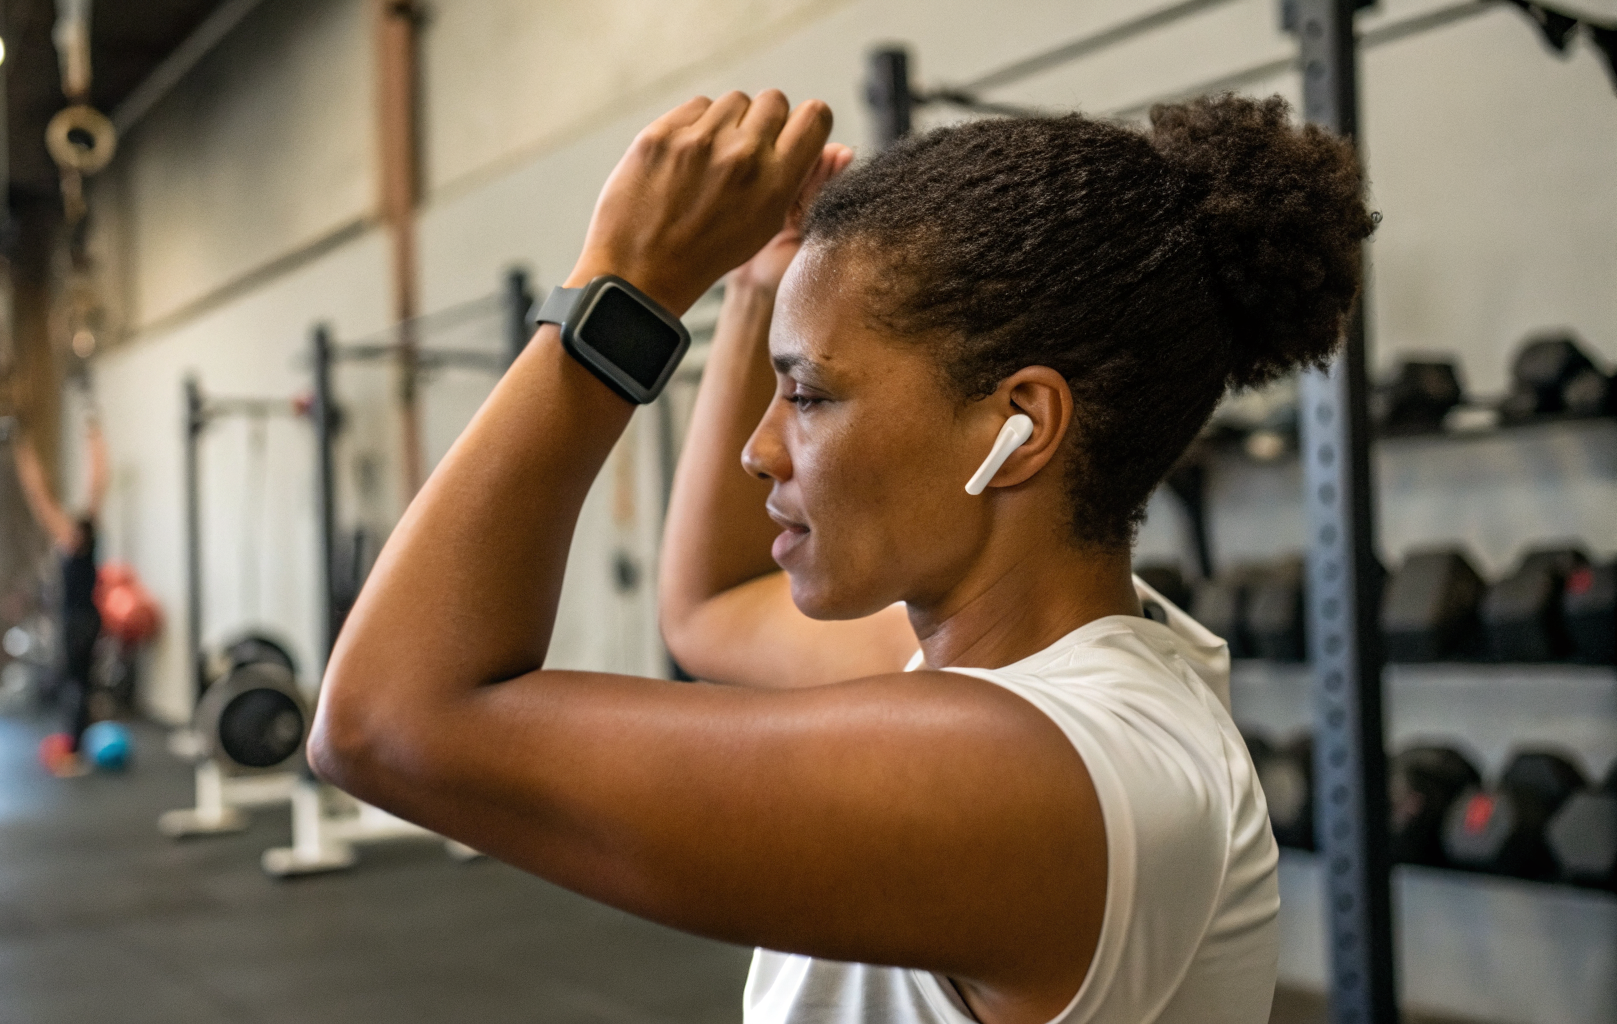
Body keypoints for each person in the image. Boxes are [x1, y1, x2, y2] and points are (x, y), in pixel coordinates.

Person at [311, 89, 1371, 1024]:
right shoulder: (1041, 670)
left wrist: (620, 289)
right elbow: (714, 608)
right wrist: (754, 292)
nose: (756, 446)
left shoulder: (1021, 772)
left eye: (809, 396)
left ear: (1018, 425)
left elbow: (383, 722)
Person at [14, 421, 109, 777]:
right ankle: (76, 746)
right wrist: (93, 438)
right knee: (77, 685)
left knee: (73, 686)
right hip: (83, 621)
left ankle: (74, 749)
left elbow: (47, 496)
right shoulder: (80, 539)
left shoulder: (77, 539)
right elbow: (49, 497)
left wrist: (93, 439)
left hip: (79, 623)